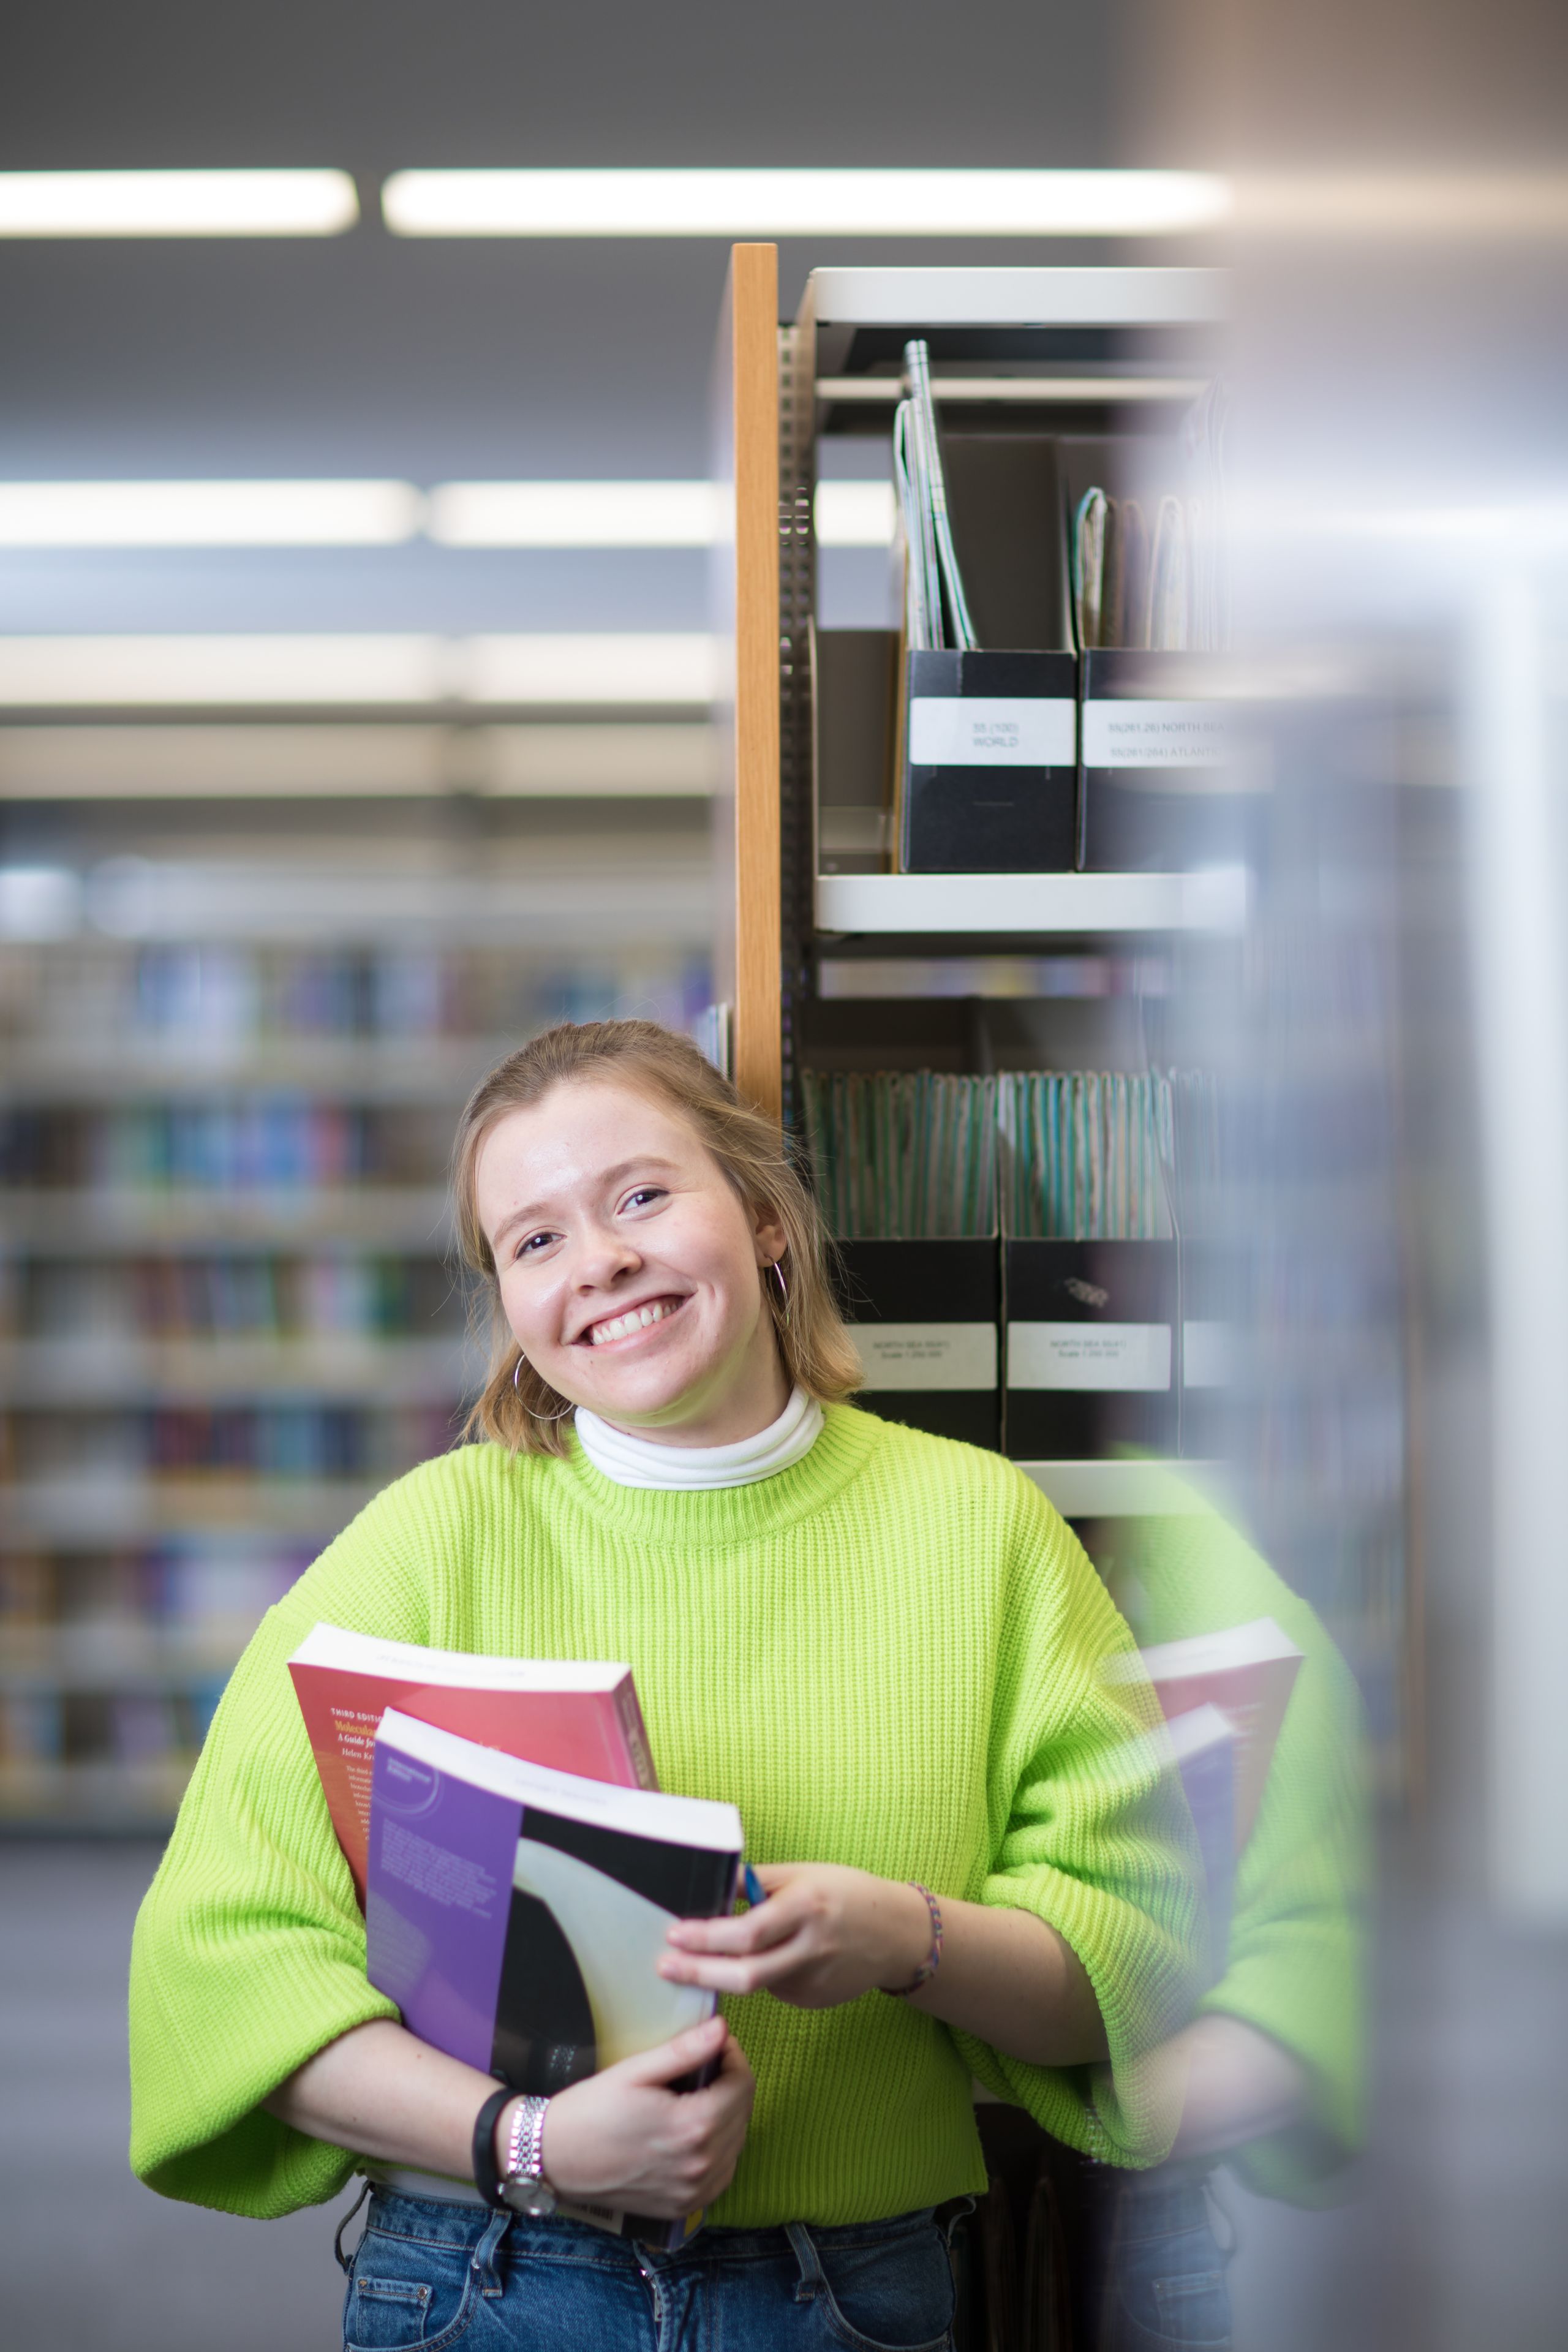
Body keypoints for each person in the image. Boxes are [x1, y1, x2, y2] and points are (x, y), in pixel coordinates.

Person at [129, 1019, 1199, 2351]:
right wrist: (527, 2141)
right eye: (535, 1240)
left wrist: (903, 1938)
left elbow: (1137, 1953)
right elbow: (225, 1961)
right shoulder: (425, 1543)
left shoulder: (981, 1532)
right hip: (486, 2273)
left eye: (640, 1195)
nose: (602, 1261)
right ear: (511, 1303)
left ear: (762, 1217)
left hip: (851, 2296)